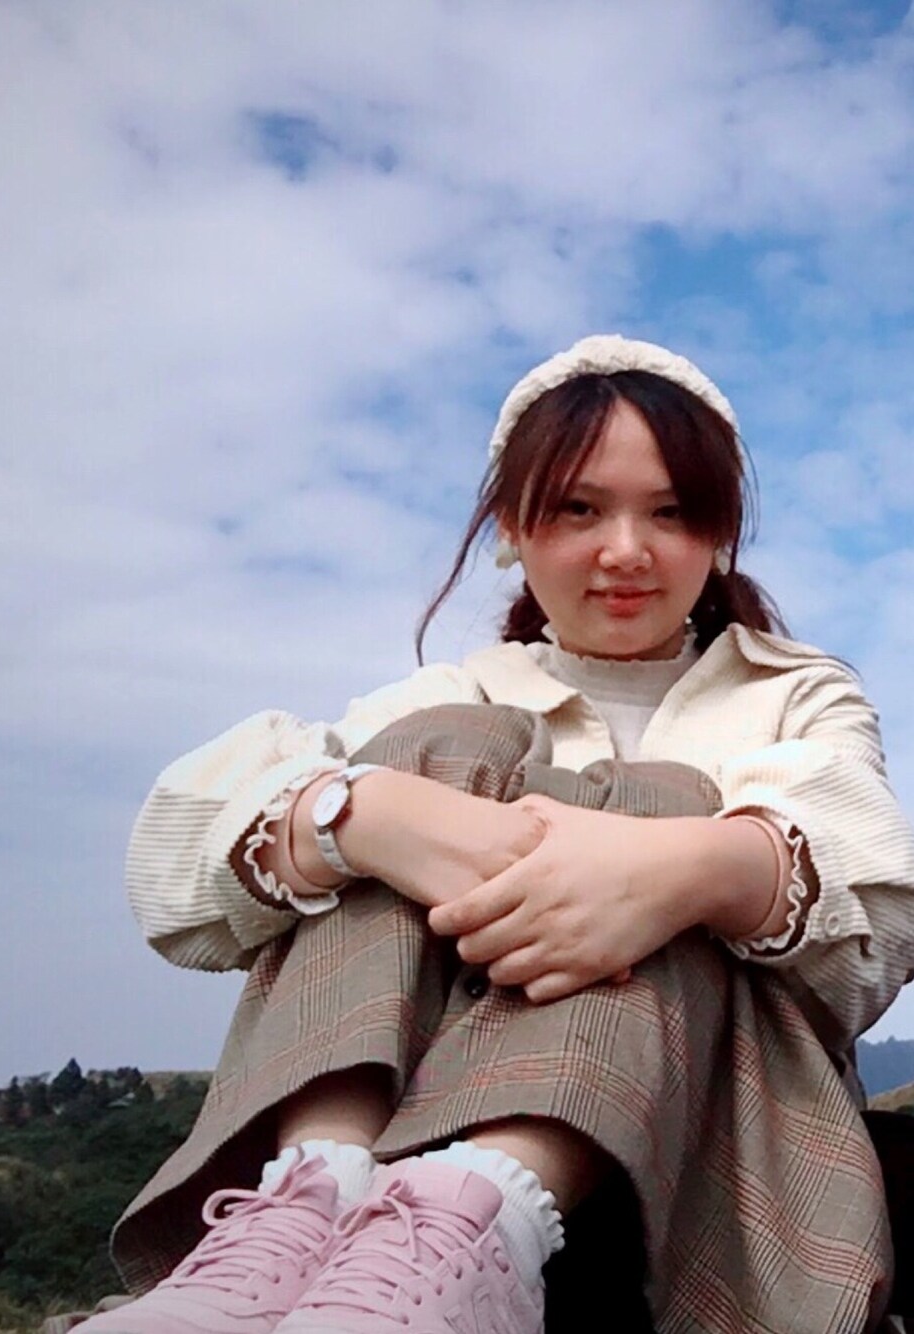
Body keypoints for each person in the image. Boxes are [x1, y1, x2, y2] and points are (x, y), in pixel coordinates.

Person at [69, 335, 914, 1334]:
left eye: (671, 512)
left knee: (662, 805)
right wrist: (365, 817)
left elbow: (877, 924)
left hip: (710, 1155)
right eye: (578, 509)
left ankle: (476, 1220)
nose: (626, 551)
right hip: (401, 1139)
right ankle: (311, 1198)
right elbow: (173, 871)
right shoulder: (456, 697)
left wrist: (685, 868)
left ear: (719, 532)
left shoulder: (794, 694)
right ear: (513, 526)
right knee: (403, 763)